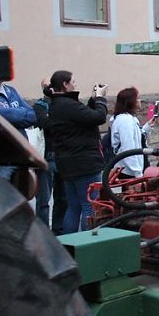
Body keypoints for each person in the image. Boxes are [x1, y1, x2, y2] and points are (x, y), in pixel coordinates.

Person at [46, 70, 108, 234]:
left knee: (73, 206)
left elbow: (83, 117)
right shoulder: (68, 105)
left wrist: (92, 100)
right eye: (73, 81)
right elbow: (98, 118)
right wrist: (101, 99)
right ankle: (88, 243)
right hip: (84, 163)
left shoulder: (57, 105)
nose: (75, 84)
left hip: (67, 163)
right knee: (90, 206)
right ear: (65, 84)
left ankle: (71, 243)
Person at [33, 77, 68, 233]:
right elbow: (46, 124)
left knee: (63, 198)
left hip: (63, 155)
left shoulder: (64, 104)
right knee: (44, 200)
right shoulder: (39, 106)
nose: (49, 88)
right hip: (47, 156)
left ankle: (58, 230)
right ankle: (43, 232)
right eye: (46, 86)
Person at [0, 79, 37, 180]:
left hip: (20, 156)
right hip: (1, 159)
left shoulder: (11, 90)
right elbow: (1, 115)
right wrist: (20, 113)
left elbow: (33, 115)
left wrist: (14, 115)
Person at [110, 87, 157, 179]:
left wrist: (147, 127)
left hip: (130, 169)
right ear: (131, 102)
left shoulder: (130, 119)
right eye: (137, 98)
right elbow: (128, 147)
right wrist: (138, 173)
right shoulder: (125, 121)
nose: (140, 101)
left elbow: (136, 139)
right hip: (128, 172)